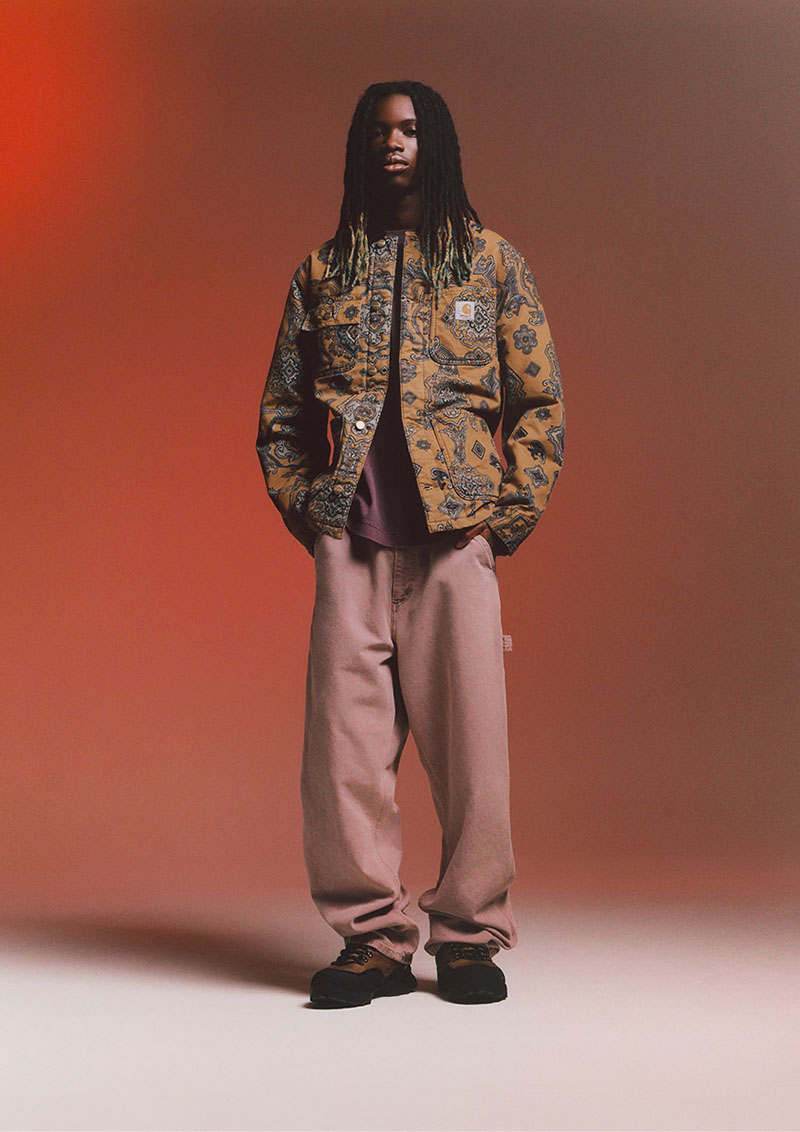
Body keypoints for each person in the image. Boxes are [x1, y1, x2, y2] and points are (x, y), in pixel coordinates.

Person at [256, 80, 564, 1007]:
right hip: (353, 546)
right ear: (360, 146)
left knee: (473, 755)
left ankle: (468, 937)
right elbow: (281, 414)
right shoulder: (324, 273)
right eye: (381, 131)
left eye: (413, 130)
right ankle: (373, 942)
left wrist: (503, 520)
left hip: (452, 543)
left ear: (440, 146)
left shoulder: (491, 263)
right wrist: (311, 509)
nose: (396, 144)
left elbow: (540, 404)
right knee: (343, 757)